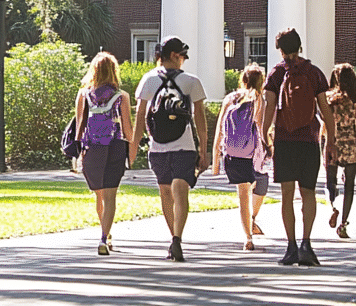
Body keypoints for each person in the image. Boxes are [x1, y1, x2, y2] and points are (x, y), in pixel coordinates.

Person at [259, 27, 335, 267]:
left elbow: (269, 107)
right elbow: (325, 109)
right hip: (309, 140)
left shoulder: (276, 73)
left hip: (285, 139)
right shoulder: (314, 73)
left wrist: (264, 134)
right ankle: (306, 244)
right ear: (300, 47)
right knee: (308, 193)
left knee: (287, 195)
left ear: (280, 50)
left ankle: (290, 247)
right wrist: (331, 139)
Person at [129, 36, 208, 263]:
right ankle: (177, 238)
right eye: (182, 56)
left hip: (157, 146)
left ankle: (173, 236)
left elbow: (140, 116)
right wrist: (204, 150)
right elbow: (200, 119)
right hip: (185, 145)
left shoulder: (148, 79)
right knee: (180, 191)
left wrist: (133, 147)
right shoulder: (191, 81)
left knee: (165, 191)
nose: (183, 60)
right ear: (174, 56)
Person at [75, 51, 135, 256]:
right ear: (113, 71)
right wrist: (134, 147)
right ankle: (104, 237)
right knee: (110, 196)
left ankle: (105, 233)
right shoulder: (121, 96)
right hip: (115, 146)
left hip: (92, 148)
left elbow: (79, 128)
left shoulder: (83, 95)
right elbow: (128, 131)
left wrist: (78, 154)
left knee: (99, 195)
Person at [212, 64, 268, 251]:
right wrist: (269, 147)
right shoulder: (258, 99)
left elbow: (220, 129)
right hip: (251, 154)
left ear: (243, 79)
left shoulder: (230, 98)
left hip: (233, 154)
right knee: (257, 187)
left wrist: (215, 159)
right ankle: (251, 223)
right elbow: (260, 128)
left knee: (243, 195)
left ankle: (248, 238)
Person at [322, 63, 356, 239]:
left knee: (330, 182)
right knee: (349, 185)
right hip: (352, 144)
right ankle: (343, 223)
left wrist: (323, 142)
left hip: (333, 144)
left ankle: (333, 207)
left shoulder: (330, 99)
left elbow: (324, 126)